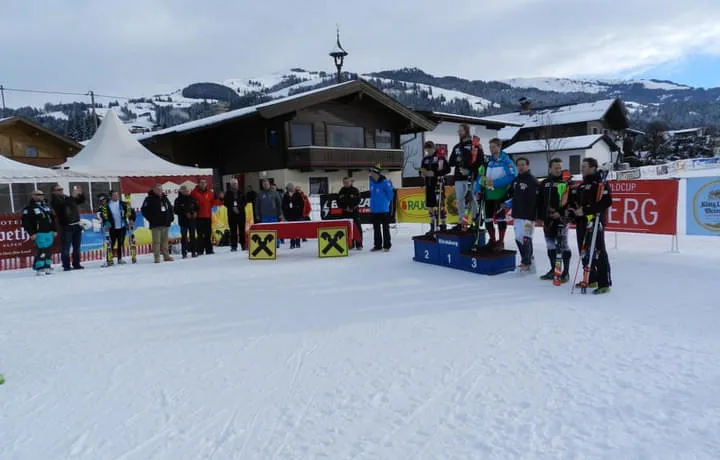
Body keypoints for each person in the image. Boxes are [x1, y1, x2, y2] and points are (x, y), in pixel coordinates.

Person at [569, 157, 613, 294]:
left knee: (598, 251)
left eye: (585, 166)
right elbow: (575, 202)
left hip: (595, 222)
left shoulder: (600, 183)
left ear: (593, 168)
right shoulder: (581, 185)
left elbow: (606, 201)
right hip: (582, 223)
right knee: (584, 251)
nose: (582, 168)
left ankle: (604, 282)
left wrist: (587, 210)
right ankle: (591, 278)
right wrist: (574, 211)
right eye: (582, 166)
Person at [474, 138, 517, 251]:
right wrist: (477, 189)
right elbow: (479, 176)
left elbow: (512, 176)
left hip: (500, 194)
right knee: (488, 219)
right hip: (487, 195)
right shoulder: (488, 161)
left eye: (494, 147)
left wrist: (495, 183)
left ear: (499, 147)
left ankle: (501, 241)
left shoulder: (506, 161)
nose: (492, 149)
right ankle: (492, 240)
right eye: (490, 147)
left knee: (500, 219)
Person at [538, 158, 572, 282]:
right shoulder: (544, 183)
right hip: (547, 219)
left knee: (563, 245)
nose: (558, 170)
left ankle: (566, 273)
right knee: (550, 245)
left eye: (560, 168)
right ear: (550, 169)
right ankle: (554, 270)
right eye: (556, 168)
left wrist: (560, 213)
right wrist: (540, 216)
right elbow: (540, 201)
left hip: (561, 219)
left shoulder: (566, 182)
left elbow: (570, 202)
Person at [505, 157, 540, 272]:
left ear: (528, 166)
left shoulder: (532, 180)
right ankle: (529, 259)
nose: (520, 167)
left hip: (528, 216)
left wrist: (537, 213)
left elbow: (538, 198)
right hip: (517, 215)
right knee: (518, 238)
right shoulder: (516, 180)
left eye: (523, 164)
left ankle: (527, 262)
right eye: (518, 165)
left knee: (526, 238)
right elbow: (510, 194)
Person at [448, 123, 480, 230]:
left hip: (470, 177)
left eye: (461, 130)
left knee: (472, 199)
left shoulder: (474, 145)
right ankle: (461, 221)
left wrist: (470, 170)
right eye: (458, 130)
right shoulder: (457, 147)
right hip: (458, 177)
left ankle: (476, 219)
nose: (459, 132)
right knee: (460, 199)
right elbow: (451, 162)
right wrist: (456, 160)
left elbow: (479, 162)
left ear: (466, 131)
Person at [50, 183, 86, 271]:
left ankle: (76, 263)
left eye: (61, 189)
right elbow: (64, 205)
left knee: (76, 246)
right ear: (53, 192)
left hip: (76, 224)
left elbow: (80, 201)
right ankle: (66, 265)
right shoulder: (55, 200)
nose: (61, 190)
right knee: (66, 247)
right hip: (66, 226)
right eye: (58, 189)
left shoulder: (66, 197)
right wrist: (72, 197)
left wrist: (80, 194)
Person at [21, 189, 56, 275]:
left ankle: (47, 266)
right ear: (33, 196)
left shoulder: (46, 206)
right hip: (39, 232)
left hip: (49, 232)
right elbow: (26, 222)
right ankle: (39, 267)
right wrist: (31, 233)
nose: (41, 196)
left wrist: (54, 230)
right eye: (39, 194)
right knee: (42, 250)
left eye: (42, 194)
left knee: (48, 250)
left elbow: (51, 219)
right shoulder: (29, 208)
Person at [419, 140, 450, 234]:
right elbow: (421, 170)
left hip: (438, 184)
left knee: (441, 205)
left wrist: (434, 173)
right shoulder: (425, 159)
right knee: (430, 206)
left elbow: (447, 169)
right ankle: (432, 226)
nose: (428, 152)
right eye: (427, 150)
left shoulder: (440, 157)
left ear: (434, 148)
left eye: (430, 150)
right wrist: (422, 173)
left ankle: (443, 225)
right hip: (428, 185)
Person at [99, 191, 136, 265]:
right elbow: (102, 214)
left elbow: (131, 212)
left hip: (122, 227)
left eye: (117, 195)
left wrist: (131, 219)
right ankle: (109, 259)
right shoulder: (106, 205)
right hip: (112, 227)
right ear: (111, 196)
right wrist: (105, 221)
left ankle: (120, 259)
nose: (116, 196)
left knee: (120, 243)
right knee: (111, 243)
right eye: (114, 195)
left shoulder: (123, 204)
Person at [141, 183, 175, 263]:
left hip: (165, 223)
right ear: (153, 190)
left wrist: (171, 217)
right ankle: (157, 258)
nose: (160, 191)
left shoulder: (165, 198)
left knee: (165, 241)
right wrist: (151, 219)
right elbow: (144, 210)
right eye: (158, 189)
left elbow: (170, 208)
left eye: (161, 189)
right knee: (156, 242)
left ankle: (166, 256)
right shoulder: (149, 199)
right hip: (155, 224)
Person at [369, 165, 394, 252]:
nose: (370, 174)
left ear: (377, 173)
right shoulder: (371, 182)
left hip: (383, 209)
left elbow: (390, 195)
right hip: (374, 209)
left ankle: (387, 245)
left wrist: (385, 203)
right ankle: (377, 245)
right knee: (376, 228)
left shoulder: (385, 182)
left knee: (385, 228)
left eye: (372, 172)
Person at [255, 179, 283, 247]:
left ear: (269, 184)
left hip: (274, 215)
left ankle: (276, 243)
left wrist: (280, 214)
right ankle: (267, 244)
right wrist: (257, 215)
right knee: (265, 230)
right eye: (264, 184)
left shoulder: (275, 193)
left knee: (275, 230)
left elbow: (279, 204)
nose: (265, 185)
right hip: (264, 216)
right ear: (262, 185)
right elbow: (257, 205)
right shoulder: (260, 194)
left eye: (266, 184)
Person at [174, 185, 199, 258]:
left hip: (192, 221)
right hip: (183, 221)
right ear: (181, 191)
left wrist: (195, 212)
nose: (187, 192)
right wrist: (185, 213)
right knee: (184, 237)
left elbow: (197, 207)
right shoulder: (178, 200)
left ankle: (194, 252)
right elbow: (176, 210)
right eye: (185, 191)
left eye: (188, 191)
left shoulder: (192, 198)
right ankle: (184, 253)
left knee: (193, 237)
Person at [337, 177, 363, 250]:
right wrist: (345, 208)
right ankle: (349, 244)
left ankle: (359, 244)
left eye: (347, 182)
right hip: (345, 213)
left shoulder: (355, 190)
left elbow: (358, 200)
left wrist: (351, 208)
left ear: (351, 182)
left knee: (357, 228)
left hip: (354, 212)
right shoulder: (341, 191)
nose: (346, 183)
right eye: (344, 182)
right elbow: (338, 202)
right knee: (346, 229)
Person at [191, 179, 215, 255]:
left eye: (204, 183)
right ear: (198, 184)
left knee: (208, 234)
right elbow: (191, 204)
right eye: (201, 183)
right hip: (198, 217)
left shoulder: (210, 193)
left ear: (206, 184)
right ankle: (200, 250)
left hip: (207, 216)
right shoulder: (194, 193)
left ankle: (209, 250)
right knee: (200, 234)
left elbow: (212, 203)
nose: (203, 184)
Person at [224, 179, 246, 251]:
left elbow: (244, 202)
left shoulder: (241, 192)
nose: (235, 185)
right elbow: (226, 203)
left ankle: (243, 245)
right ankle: (234, 246)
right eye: (233, 184)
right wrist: (233, 208)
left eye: (236, 183)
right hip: (231, 215)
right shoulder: (227, 193)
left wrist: (238, 208)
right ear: (231, 185)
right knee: (233, 231)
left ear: (238, 184)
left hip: (241, 214)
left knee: (242, 230)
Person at [281, 183, 304, 248]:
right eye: (289, 188)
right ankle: (292, 243)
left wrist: (299, 211)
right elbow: (283, 206)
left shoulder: (298, 194)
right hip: (289, 216)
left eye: (292, 188)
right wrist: (286, 212)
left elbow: (302, 204)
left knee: (297, 229)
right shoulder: (285, 195)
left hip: (297, 215)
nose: (291, 189)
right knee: (291, 230)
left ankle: (298, 243)